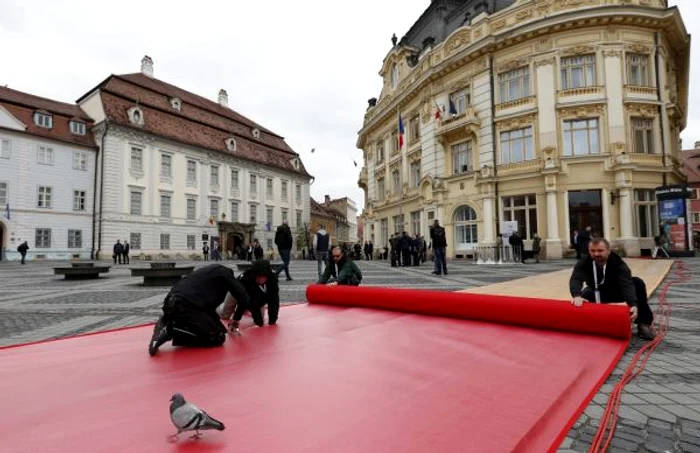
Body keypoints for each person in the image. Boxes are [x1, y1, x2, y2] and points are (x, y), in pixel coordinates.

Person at [148, 263, 249, 356]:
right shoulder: (227, 277)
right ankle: (171, 330)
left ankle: (168, 320)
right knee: (218, 337)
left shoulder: (206, 276)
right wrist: (236, 319)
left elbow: (207, 310)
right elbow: (244, 298)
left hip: (171, 303)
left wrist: (219, 326)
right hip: (185, 306)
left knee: (218, 330)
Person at [569, 237, 655, 340]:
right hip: (596, 291)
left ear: (608, 250)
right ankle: (588, 322)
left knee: (637, 283)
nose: (596, 254)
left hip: (617, 291)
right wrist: (576, 295)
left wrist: (633, 304)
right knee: (582, 297)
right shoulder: (584, 262)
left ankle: (643, 324)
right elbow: (576, 278)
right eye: (593, 251)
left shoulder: (619, 264)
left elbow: (626, 284)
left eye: (600, 250)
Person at [227, 260, 280, 333]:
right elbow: (246, 300)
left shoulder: (272, 279)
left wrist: (272, 322)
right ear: (254, 275)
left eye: (262, 277)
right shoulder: (246, 280)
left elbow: (274, 300)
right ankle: (218, 310)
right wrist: (236, 318)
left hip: (256, 297)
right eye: (258, 277)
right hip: (236, 293)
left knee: (260, 319)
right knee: (224, 314)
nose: (260, 279)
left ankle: (246, 309)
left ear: (267, 275)